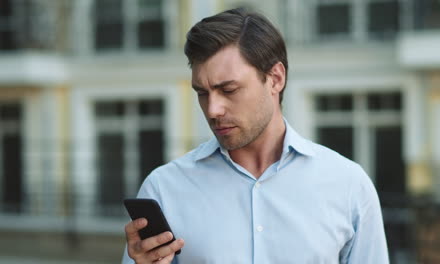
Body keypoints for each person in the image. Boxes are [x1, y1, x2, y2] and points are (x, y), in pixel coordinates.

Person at [122, 7, 388, 264]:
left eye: (228, 90)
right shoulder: (163, 189)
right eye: (202, 93)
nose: (213, 110)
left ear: (275, 78)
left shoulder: (349, 186)